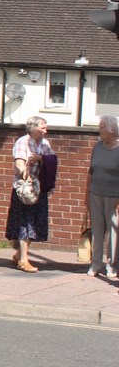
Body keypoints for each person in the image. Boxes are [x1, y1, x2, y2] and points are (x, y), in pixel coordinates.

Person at [6, 115, 54, 273]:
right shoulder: (23, 141)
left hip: (40, 189)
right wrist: (24, 172)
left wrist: (40, 158)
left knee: (35, 223)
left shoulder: (45, 143)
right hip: (26, 191)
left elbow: (52, 159)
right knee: (25, 223)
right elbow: (19, 161)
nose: (45, 131)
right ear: (33, 128)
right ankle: (23, 261)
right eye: (43, 128)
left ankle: (19, 254)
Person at [84, 115, 119, 279]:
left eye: (102, 127)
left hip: (115, 197)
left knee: (114, 232)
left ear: (112, 130)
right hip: (96, 194)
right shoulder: (97, 147)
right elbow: (91, 171)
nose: (99, 129)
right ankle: (95, 264)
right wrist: (87, 193)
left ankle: (112, 266)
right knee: (97, 231)